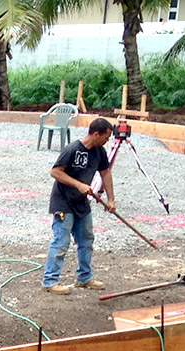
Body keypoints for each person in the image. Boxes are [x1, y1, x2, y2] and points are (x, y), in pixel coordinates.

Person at [43, 117, 116, 295]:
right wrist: (78, 184)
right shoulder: (72, 149)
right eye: (106, 137)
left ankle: (84, 277)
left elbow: (105, 173)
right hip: (63, 202)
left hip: (81, 203)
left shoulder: (100, 151)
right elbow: (55, 172)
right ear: (96, 134)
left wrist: (111, 199)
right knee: (61, 242)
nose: (108, 140)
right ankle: (50, 281)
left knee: (86, 239)